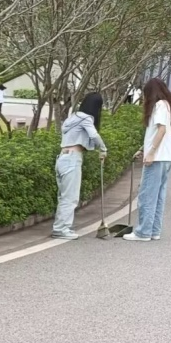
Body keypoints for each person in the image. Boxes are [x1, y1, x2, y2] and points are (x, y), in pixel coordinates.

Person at [124, 77, 171, 242]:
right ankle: (154, 230)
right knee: (158, 195)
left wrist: (151, 152)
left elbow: (161, 130)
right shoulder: (168, 106)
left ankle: (143, 232)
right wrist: (144, 149)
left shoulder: (159, 105)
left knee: (147, 194)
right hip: (166, 158)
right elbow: (158, 132)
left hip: (157, 158)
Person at [52, 92, 107, 240]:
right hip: (72, 159)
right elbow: (94, 135)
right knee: (70, 197)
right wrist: (103, 149)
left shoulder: (74, 117)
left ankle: (61, 226)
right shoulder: (86, 119)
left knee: (63, 196)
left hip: (62, 158)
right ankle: (61, 228)